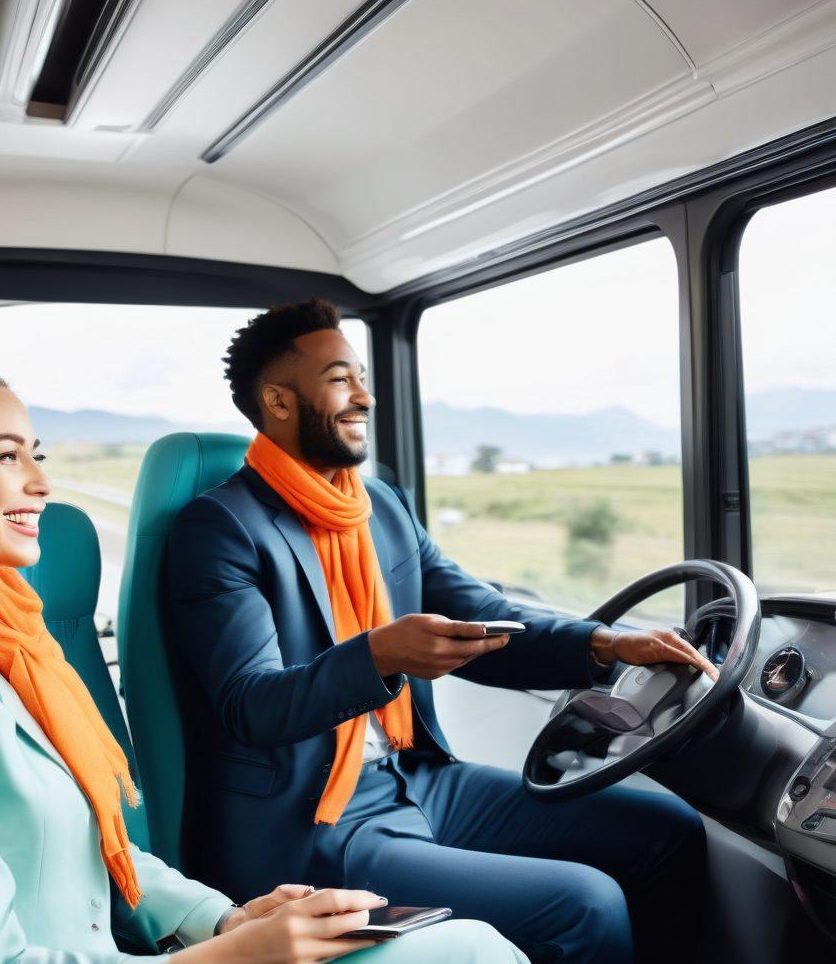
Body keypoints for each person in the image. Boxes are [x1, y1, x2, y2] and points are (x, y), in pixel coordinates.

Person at [0, 360, 522, 964]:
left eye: (38, 455)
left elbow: (104, 841)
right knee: (476, 950)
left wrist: (230, 920)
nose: (40, 483)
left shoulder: (11, 635)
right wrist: (235, 956)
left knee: (471, 944)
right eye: (6, 457)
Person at [166, 300, 719, 964]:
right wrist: (378, 656)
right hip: (314, 821)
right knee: (585, 903)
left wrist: (603, 644)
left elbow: (476, 610)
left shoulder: (382, 508)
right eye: (342, 378)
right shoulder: (221, 530)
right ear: (280, 401)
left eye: (364, 376)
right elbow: (250, 706)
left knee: (669, 833)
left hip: (416, 776)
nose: (364, 396)